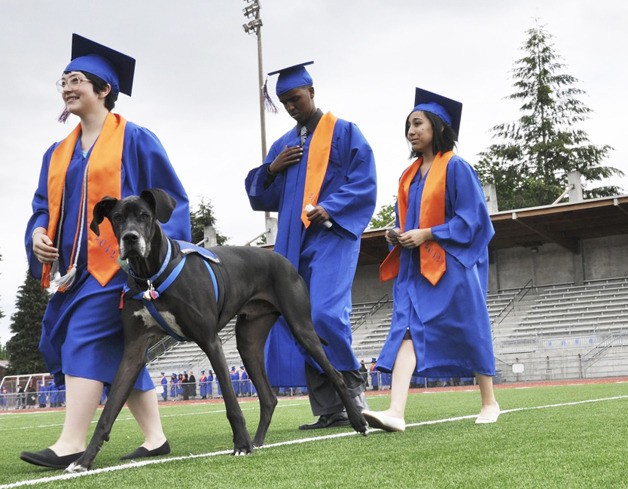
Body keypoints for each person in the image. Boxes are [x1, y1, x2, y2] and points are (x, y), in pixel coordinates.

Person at [20, 34, 190, 469]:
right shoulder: (55, 153)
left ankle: (71, 442)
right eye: (63, 81)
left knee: (84, 336)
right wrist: (38, 231)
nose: (67, 87)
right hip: (71, 272)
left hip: (119, 268)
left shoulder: (136, 139)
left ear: (104, 90)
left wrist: (161, 264)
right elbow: (43, 206)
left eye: (76, 80)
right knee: (119, 353)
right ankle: (155, 438)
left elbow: (170, 200)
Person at [245, 61, 377, 429]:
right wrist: (272, 168)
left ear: (312, 92)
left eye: (296, 98)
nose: (291, 106)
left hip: (331, 235)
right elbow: (260, 196)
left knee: (324, 314)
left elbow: (364, 181)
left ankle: (352, 382)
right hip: (291, 240)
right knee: (298, 320)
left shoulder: (344, 132)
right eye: (284, 101)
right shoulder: (283, 145)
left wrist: (329, 207)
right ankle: (329, 409)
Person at [361, 88, 499, 433]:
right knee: (407, 329)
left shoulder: (457, 167)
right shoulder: (408, 176)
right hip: (415, 268)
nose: (412, 130)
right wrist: (398, 234)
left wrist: (427, 234)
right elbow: (409, 222)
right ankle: (395, 411)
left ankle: (489, 401)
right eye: (408, 125)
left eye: (418, 123)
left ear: (437, 126)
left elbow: (473, 220)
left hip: (451, 263)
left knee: (469, 327)